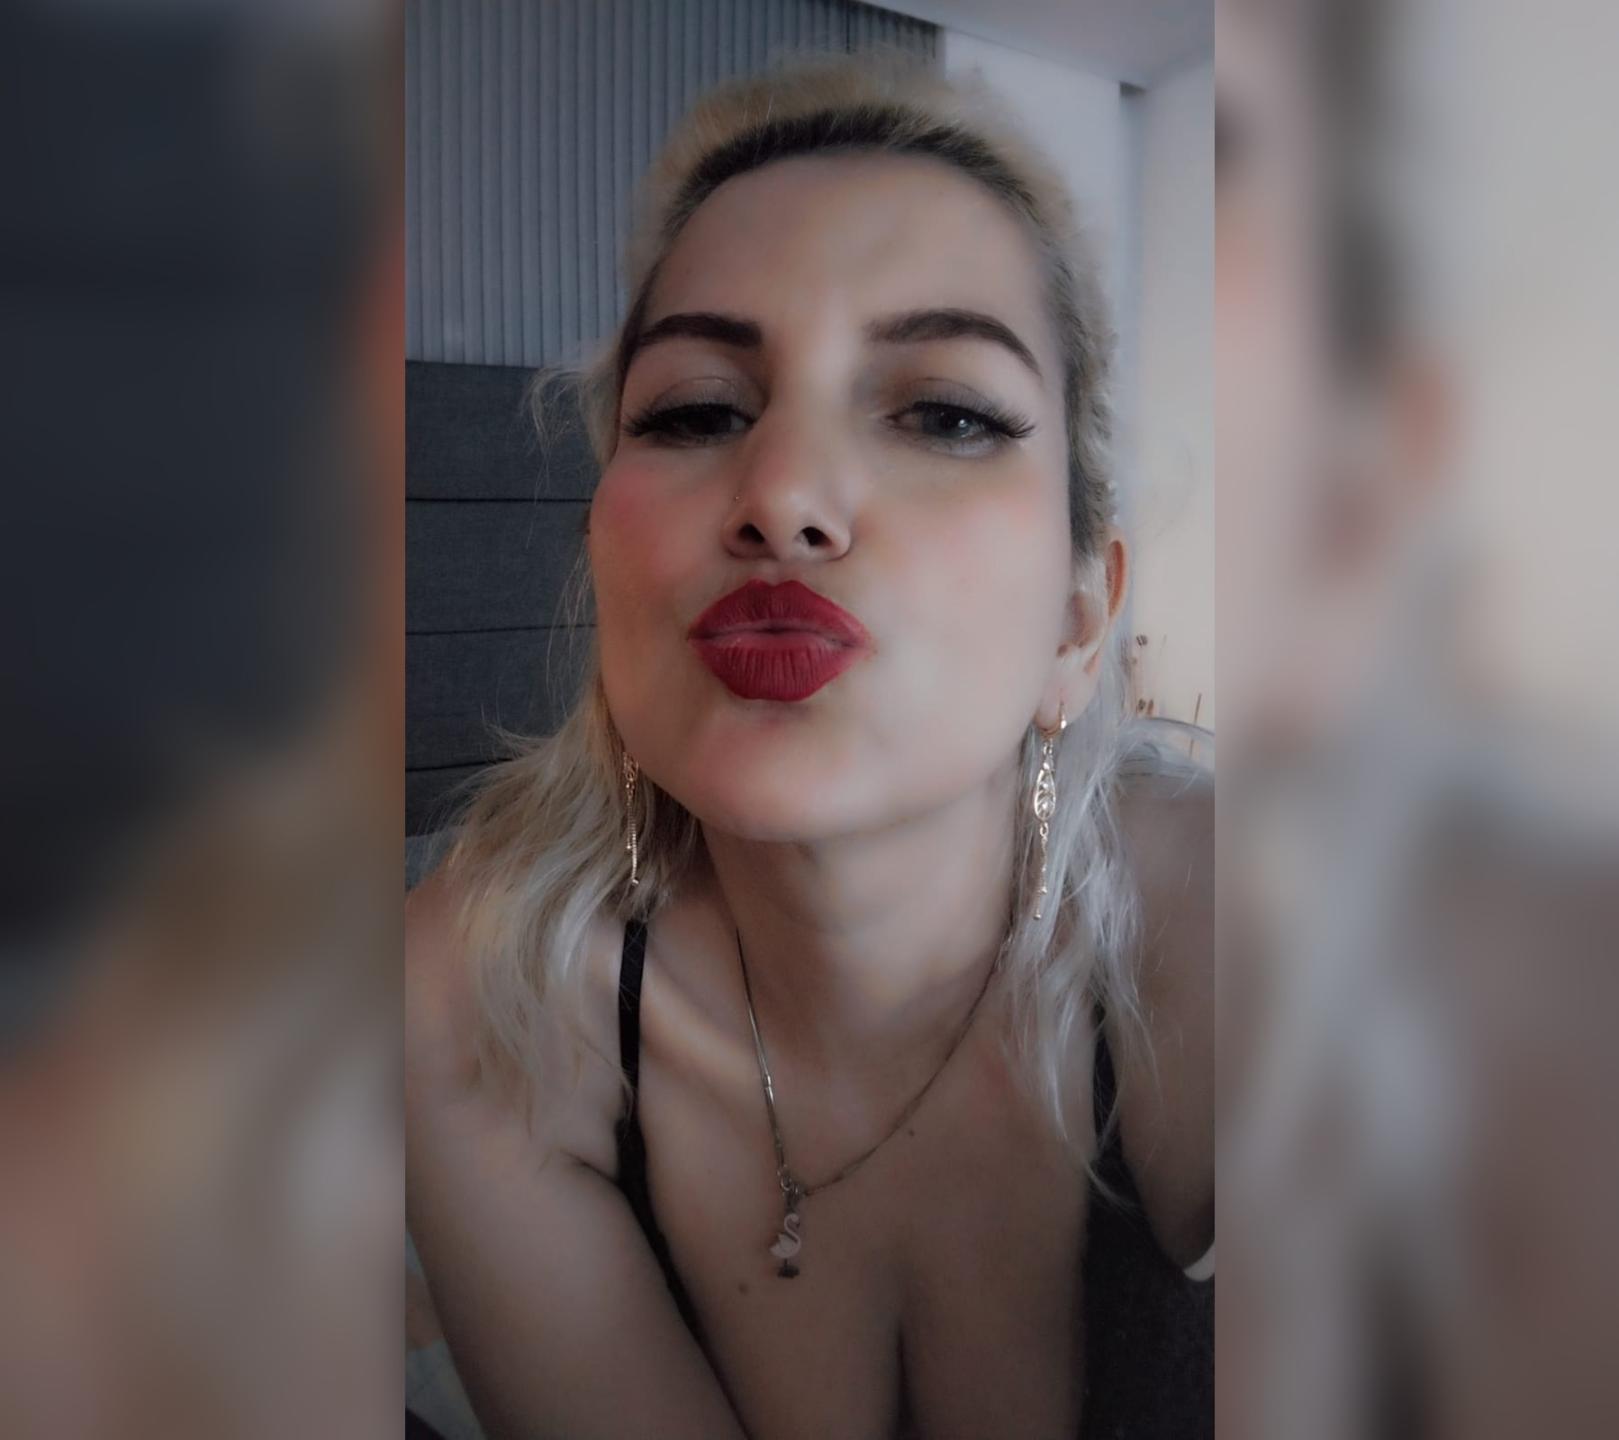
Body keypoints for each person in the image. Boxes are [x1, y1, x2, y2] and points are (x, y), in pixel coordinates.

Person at [406, 53, 1212, 1440]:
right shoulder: (468, 1001)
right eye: (697, 411)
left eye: (945, 412)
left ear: (1080, 621)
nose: (780, 494)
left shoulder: (1266, 944)